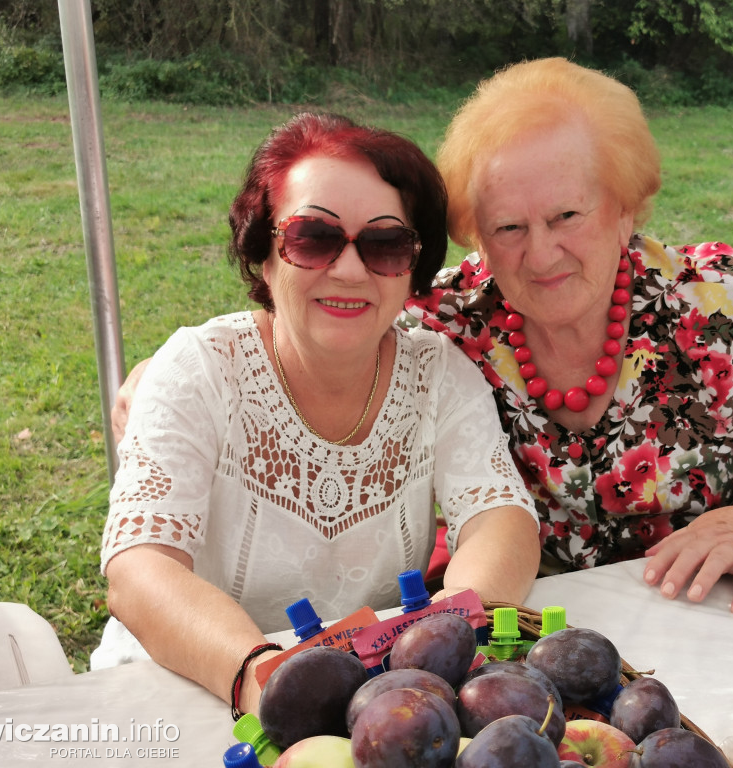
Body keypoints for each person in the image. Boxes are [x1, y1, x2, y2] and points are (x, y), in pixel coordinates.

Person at [113, 58, 733, 620]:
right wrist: (167, 371)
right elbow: (323, 308)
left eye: (568, 216)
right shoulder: (452, 321)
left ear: (625, 206)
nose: (540, 255)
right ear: (476, 237)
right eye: (508, 226)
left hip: (711, 624)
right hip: (523, 641)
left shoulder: (705, 311)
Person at [95, 112, 541, 718]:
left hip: (369, 699)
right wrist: (261, 679)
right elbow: (139, 568)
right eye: (313, 238)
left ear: (412, 266)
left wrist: (458, 626)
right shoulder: (198, 369)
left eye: (385, 244)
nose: (351, 270)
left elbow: (500, 518)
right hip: (181, 692)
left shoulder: (436, 373)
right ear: (264, 253)